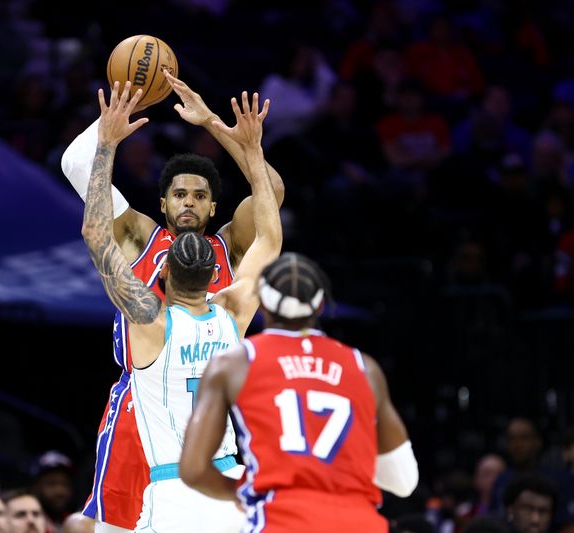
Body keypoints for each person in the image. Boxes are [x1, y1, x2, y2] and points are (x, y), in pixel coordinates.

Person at [60, 70, 284, 533]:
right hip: (140, 410)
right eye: (179, 194)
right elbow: (74, 166)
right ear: (162, 203)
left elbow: (271, 196)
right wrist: (237, 137)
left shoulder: (224, 248)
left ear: (213, 208)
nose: (189, 203)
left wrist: (112, 134)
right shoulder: (223, 299)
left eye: (200, 196)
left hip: (179, 427)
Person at [179, 252, 419, 531]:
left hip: (281, 519)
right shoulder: (365, 368)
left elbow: (194, 469)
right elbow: (404, 482)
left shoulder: (233, 363)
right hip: (359, 522)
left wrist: (241, 490)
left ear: (263, 305)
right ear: (319, 306)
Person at [29, 452, 73, 533]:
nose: (60, 491)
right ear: (35, 487)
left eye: (65, 484)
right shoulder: (28, 523)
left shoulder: (77, 522)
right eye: (51, 483)